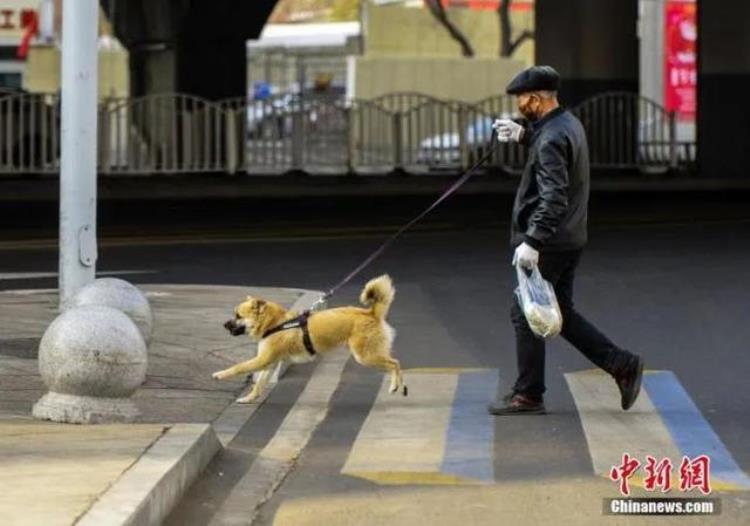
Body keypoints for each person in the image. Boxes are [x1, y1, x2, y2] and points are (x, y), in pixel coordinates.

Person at [487, 65, 644, 416]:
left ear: (536, 99)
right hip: (571, 237)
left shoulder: (552, 137)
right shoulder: (565, 124)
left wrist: (532, 241)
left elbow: (554, 196)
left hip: (551, 242)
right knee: (560, 313)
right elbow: (554, 151)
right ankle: (622, 364)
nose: (518, 107)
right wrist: (524, 136)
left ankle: (528, 395)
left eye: (521, 101)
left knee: (525, 313)